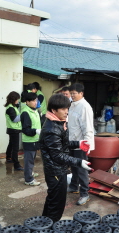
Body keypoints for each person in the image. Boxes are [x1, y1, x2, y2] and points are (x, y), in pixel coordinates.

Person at [40, 94, 92, 222]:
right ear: (54, 110)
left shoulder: (57, 123)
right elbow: (57, 155)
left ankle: (44, 222)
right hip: (55, 171)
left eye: (67, 108)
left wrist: (78, 143)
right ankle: (50, 227)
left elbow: (62, 144)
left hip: (58, 169)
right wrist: (79, 162)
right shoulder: (52, 129)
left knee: (53, 199)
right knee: (57, 202)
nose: (66, 111)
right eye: (63, 109)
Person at [67, 83, 95, 206]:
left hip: (82, 144)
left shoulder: (85, 107)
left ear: (81, 94)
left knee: (82, 169)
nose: (72, 95)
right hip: (72, 142)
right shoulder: (72, 105)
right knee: (73, 166)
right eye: (71, 93)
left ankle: (85, 194)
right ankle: (74, 186)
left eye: (74, 93)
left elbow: (88, 128)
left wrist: (87, 145)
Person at [20, 92, 41, 186]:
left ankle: (30, 173)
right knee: (28, 161)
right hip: (29, 141)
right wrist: (36, 131)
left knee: (32, 159)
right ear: (27, 102)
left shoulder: (35, 110)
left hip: (35, 140)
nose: (35, 102)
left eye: (36, 100)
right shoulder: (25, 112)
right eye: (33, 101)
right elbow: (25, 130)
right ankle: (28, 180)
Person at [4, 91, 23, 171]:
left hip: (12, 129)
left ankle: (8, 158)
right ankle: (16, 165)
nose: (18, 101)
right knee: (15, 148)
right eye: (17, 99)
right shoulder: (10, 109)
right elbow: (15, 119)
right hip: (14, 130)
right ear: (13, 99)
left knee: (11, 144)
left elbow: (18, 105)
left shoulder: (11, 106)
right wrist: (24, 115)